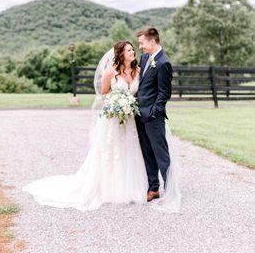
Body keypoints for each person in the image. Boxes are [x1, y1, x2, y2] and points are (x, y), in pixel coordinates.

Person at [22, 41, 148, 210]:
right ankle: (109, 189)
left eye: (133, 49)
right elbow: (103, 94)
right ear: (120, 54)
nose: (133, 52)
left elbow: (140, 93)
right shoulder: (111, 71)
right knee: (111, 151)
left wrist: (129, 103)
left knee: (129, 150)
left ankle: (131, 187)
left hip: (129, 119)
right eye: (128, 50)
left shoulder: (138, 70)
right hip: (113, 118)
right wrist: (117, 103)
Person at [135, 26, 181, 210]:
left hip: (153, 117)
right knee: (147, 153)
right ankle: (153, 188)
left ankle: (170, 191)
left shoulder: (163, 63)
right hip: (139, 115)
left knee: (161, 155)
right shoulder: (145, 57)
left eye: (142, 43)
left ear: (152, 41)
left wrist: (153, 112)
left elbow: (164, 93)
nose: (140, 47)